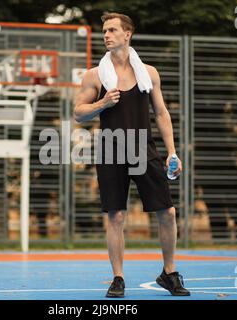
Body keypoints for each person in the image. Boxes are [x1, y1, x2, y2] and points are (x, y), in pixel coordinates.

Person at [73, 13, 190, 298]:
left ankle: (169, 272)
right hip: (111, 149)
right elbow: (78, 112)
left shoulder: (148, 73)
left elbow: (161, 113)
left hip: (143, 148)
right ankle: (118, 278)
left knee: (167, 212)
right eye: (104, 31)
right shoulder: (95, 75)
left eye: (112, 30)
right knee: (116, 216)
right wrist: (102, 102)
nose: (106, 35)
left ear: (128, 34)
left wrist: (172, 152)